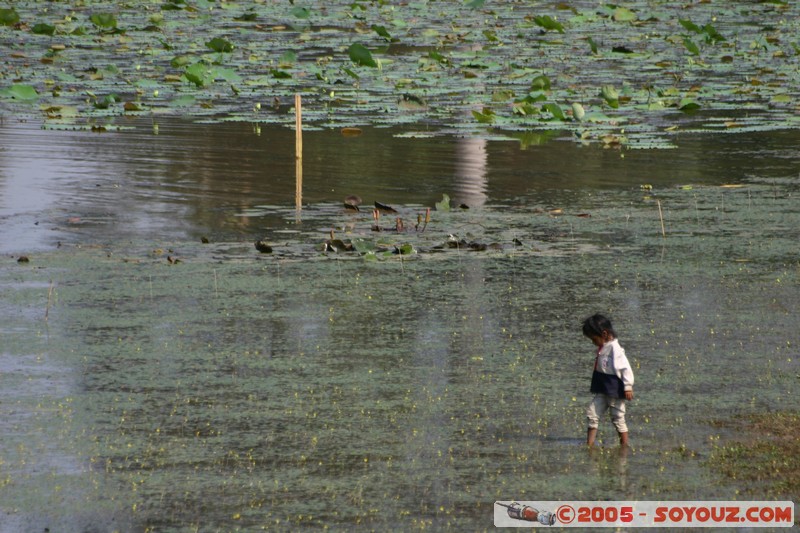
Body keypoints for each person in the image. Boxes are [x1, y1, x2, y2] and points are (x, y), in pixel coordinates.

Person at [582, 314, 634, 448]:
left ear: (604, 334)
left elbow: (625, 368)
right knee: (592, 413)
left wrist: (628, 386)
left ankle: (624, 445)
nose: (593, 342)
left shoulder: (615, 349)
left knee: (617, 417)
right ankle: (590, 444)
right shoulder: (603, 347)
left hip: (614, 389)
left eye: (594, 339)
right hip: (602, 388)